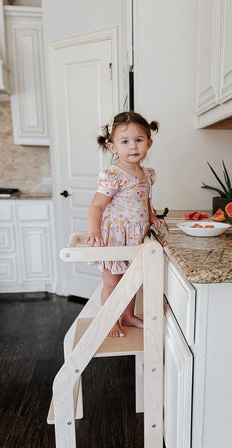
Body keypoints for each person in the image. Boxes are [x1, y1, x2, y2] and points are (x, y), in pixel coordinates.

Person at [86, 111, 165, 338]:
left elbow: (146, 200)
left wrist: (152, 217)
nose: (133, 146)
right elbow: (97, 206)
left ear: (148, 143)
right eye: (125, 141)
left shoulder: (147, 174)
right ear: (112, 147)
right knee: (112, 285)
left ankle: (128, 316)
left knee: (132, 282)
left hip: (136, 238)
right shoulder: (113, 175)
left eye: (139, 140)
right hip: (115, 239)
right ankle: (110, 321)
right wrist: (94, 230)